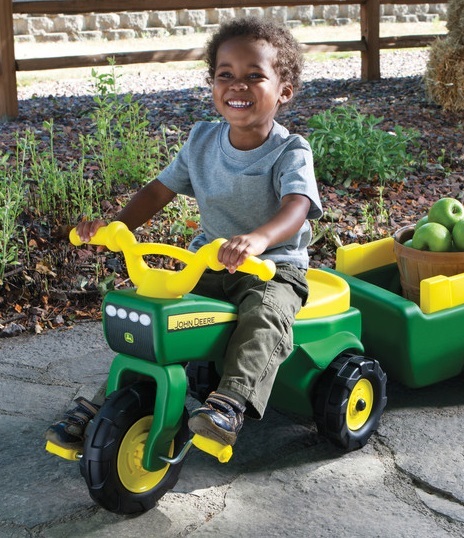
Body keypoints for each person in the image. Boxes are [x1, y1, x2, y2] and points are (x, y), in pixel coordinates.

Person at [45, 16, 323, 450]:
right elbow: (159, 190)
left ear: (284, 90)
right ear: (212, 84)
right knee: (158, 319)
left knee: (265, 317)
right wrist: (116, 228)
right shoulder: (201, 141)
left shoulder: (291, 151)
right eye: (225, 75)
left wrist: (259, 240)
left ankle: (229, 405)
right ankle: (110, 400)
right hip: (207, 263)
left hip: (272, 267)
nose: (237, 86)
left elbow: (297, 207)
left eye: (255, 76)